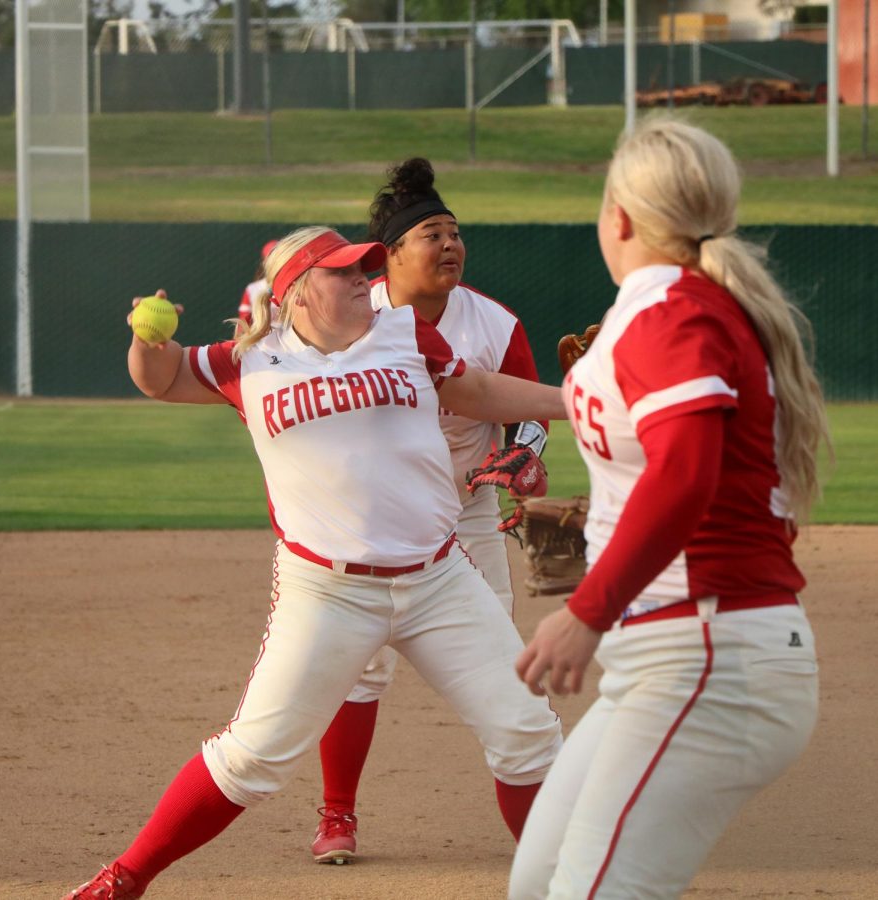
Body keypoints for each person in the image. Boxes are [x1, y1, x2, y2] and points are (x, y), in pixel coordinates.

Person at [62, 225, 565, 900]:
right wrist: (147, 342)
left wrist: (579, 402)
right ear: (297, 293)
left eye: (364, 268)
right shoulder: (249, 361)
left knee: (525, 733)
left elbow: (472, 393)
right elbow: (163, 378)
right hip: (326, 592)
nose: (364, 279)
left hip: (439, 577)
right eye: (344, 273)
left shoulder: (405, 333)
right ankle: (125, 877)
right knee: (252, 759)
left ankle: (568, 887)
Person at [509, 117, 831, 899]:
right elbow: (679, 471)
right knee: (541, 881)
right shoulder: (681, 308)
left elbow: (685, 474)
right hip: (672, 653)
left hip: (708, 652)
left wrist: (587, 608)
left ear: (618, 216)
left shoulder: (671, 313)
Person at [308, 157, 550, 864]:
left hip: (464, 509)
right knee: (355, 667)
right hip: (370, 516)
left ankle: (538, 821)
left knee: (498, 663)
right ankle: (336, 817)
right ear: (389, 254)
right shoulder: (356, 315)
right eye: (430, 235)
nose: (448, 245)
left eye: (454, 233)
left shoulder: (493, 322)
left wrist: (522, 456)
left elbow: (528, 414)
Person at [233, 238, 279, 339]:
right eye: (271, 258)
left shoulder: (294, 286)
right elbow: (243, 321)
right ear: (264, 262)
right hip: (259, 340)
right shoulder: (252, 289)